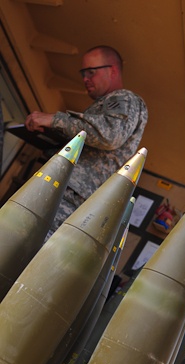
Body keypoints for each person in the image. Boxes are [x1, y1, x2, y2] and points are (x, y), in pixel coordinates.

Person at [25, 45, 148, 237]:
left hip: (71, 197)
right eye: (83, 73)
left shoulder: (125, 98)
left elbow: (110, 135)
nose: (85, 79)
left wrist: (54, 120)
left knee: (26, 248)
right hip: (63, 190)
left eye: (91, 72)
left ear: (113, 70)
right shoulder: (105, 103)